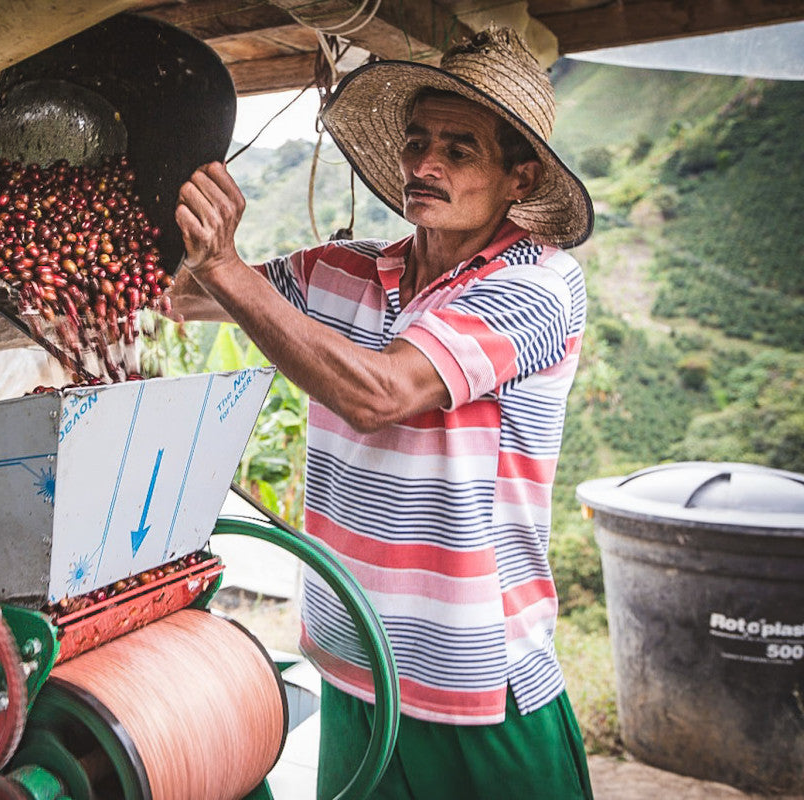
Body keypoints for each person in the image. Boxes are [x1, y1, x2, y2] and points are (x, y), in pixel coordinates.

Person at [170, 26, 595, 800]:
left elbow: (380, 394)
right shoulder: (344, 271)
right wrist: (168, 215)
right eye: (417, 141)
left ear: (518, 177)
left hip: (473, 675)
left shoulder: (538, 283)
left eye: (459, 150)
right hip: (353, 648)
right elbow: (188, 292)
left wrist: (229, 266)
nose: (424, 165)